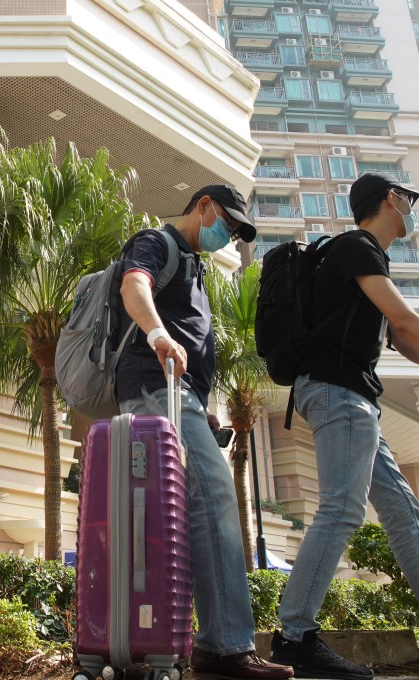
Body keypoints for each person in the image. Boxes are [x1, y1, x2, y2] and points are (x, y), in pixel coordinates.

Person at [116, 185, 294, 680]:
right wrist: (158, 335)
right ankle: (225, 646)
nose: (229, 237)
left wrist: (201, 407)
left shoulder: (194, 268)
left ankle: (213, 643)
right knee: (215, 496)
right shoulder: (157, 241)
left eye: (236, 233)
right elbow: (134, 285)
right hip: (156, 385)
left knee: (192, 510)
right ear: (204, 207)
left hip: (180, 394)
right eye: (228, 225)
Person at [268, 172, 419, 680]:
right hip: (339, 392)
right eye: (409, 198)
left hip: (351, 397)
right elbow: (405, 322)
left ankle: (295, 634)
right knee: (342, 508)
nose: (411, 207)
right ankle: (294, 636)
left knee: (402, 511)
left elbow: (403, 339)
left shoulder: (363, 256)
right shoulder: (358, 246)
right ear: (390, 199)